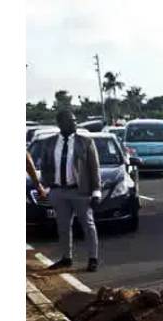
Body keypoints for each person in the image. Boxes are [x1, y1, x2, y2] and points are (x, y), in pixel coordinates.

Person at [34, 110, 102, 272]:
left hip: (80, 191)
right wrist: (47, 186)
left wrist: (96, 191)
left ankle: (93, 258)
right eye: (70, 121)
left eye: (75, 120)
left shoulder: (85, 142)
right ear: (60, 123)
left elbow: (94, 168)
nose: (74, 123)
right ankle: (66, 258)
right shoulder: (49, 142)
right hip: (58, 192)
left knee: (88, 225)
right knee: (63, 227)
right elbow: (45, 166)